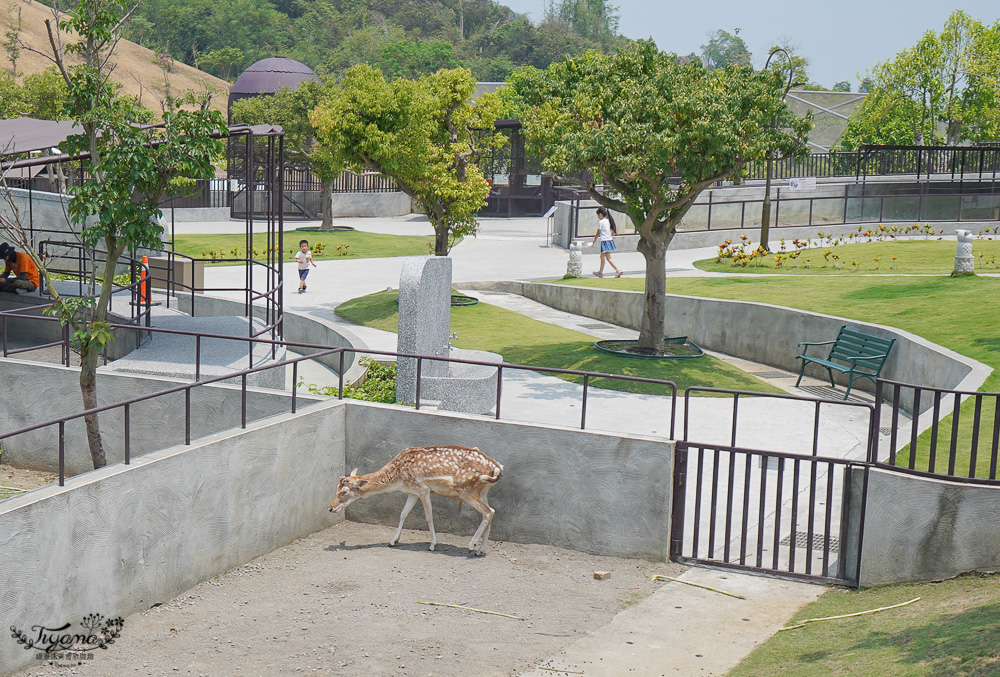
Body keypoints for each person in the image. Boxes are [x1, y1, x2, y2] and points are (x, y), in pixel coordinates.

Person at [591, 207, 622, 278]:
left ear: (600, 214)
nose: (598, 217)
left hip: (605, 241)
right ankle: (600, 272)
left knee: (607, 257)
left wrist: (594, 240)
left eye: (598, 215)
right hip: (609, 240)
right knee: (603, 256)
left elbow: (598, 232)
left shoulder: (600, 222)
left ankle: (617, 270)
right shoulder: (607, 221)